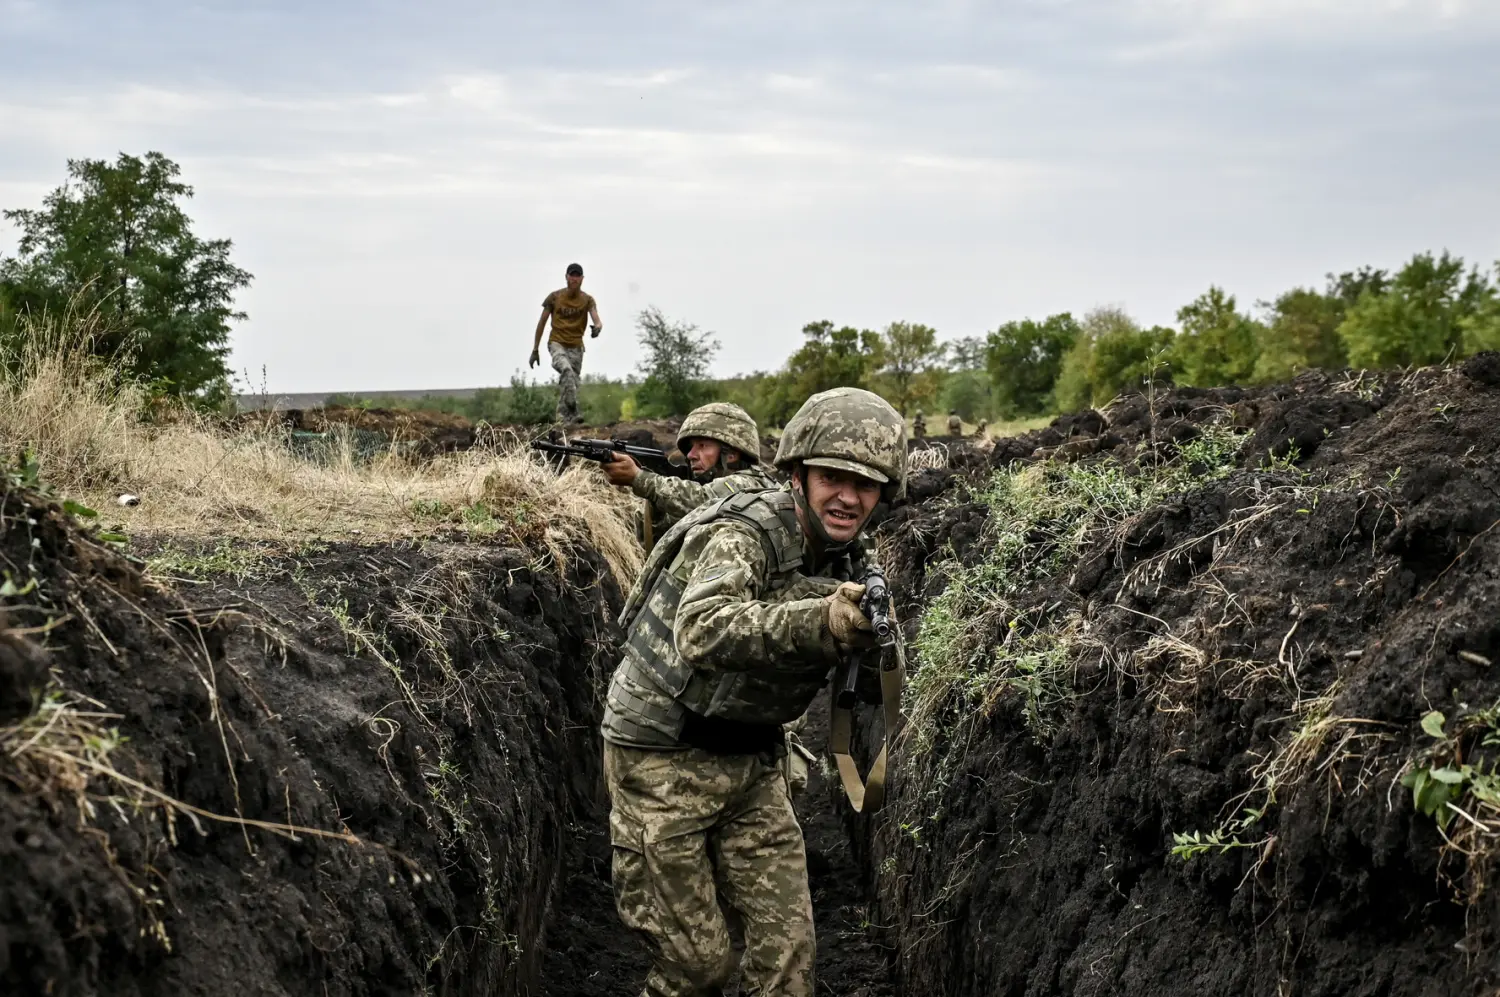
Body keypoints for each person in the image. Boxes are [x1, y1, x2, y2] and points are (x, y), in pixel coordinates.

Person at [602, 386, 906, 997]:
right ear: (798, 474)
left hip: (752, 761)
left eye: (866, 484)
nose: (848, 496)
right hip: (662, 756)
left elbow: (863, 683)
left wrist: (869, 643)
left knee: (787, 963)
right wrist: (819, 621)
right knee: (698, 969)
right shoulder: (747, 534)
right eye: (832, 477)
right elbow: (701, 628)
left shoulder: (852, 558)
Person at [599, 402, 777, 534]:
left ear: (731, 454)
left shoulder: (750, 484)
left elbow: (703, 499)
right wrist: (656, 506)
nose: (691, 455)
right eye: (691, 447)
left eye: (702, 446)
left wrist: (640, 479)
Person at [530, 262, 602, 424]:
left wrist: (597, 328)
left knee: (571, 384)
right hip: (557, 343)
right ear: (566, 277)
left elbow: (596, 319)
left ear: (582, 279)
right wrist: (535, 350)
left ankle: (562, 422)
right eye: (572, 275)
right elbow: (541, 323)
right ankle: (574, 409)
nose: (574, 279)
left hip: (576, 347)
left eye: (577, 276)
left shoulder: (587, 300)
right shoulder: (555, 298)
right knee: (566, 370)